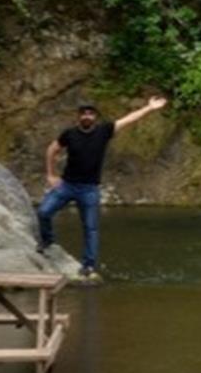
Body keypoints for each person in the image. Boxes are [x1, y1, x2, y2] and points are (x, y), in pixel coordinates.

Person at [38, 96, 167, 279]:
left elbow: (129, 119)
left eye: (90, 114)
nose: (87, 116)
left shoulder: (104, 131)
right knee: (43, 212)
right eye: (84, 113)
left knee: (91, 228)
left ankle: (88, 265)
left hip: (89, 189)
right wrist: (51, 174)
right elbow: (52, 149)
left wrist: (149, 108)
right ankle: (48, 240)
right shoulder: (69, 134)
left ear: (95, 117)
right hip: (67, 185)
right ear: (78, 117)